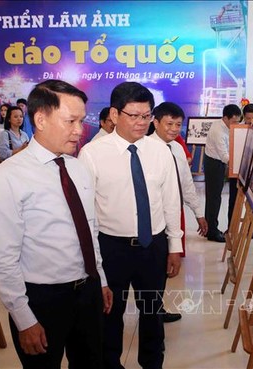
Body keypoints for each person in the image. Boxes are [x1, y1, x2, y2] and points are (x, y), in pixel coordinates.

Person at [0, 79, 112, 369]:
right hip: (42, 300)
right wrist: (24, 319)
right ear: (40, 119)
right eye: (71, 121)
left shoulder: (78, 168)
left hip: (87, 291)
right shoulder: (7, 179)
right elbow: (4, 261)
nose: (80, 130)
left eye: (81, 120)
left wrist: (99, 279)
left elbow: (89, 230)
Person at [78, 82, 182, 369]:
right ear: (114, 114)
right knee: (111, 316)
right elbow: (87, 215)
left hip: (153, 246)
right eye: (134, 115)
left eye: (146, 116)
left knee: (152, 313)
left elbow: (171, 201)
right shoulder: (92, 153)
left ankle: (152, 363)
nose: (141, 123)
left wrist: (175, 246)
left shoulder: (160, 151)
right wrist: (95, 265)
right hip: (113, 248)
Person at [149, 102, 208, 323]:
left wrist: (198, 213)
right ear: (155, 122)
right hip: (153, 219)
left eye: (178, 124)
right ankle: (151, 310)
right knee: (154, 268)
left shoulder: (176, 149)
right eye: (169, 124)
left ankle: (157, 308)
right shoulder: (145, 148)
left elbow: (186, 183)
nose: (174, 129)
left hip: (173, 216)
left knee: (164, 268)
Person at [204, 104, 241, 242]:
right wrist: (239, 164)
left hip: (218, 162)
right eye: (234, 121)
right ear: (225, 118)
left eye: (238, 121)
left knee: (214, 198)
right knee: (214, 198)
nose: (237, 124)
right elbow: (224, 155)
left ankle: (210, 228)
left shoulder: (225, 126)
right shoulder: (218, 132)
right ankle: (212, 232)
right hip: (214, 163)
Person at [228, 103, 253, 228]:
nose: (251, 121)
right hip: (237, 171)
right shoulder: (236, 130)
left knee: (252, 202)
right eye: (248, 118)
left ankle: (251, 227)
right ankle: (231, 227)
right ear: (243, 117)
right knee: (234, 200)